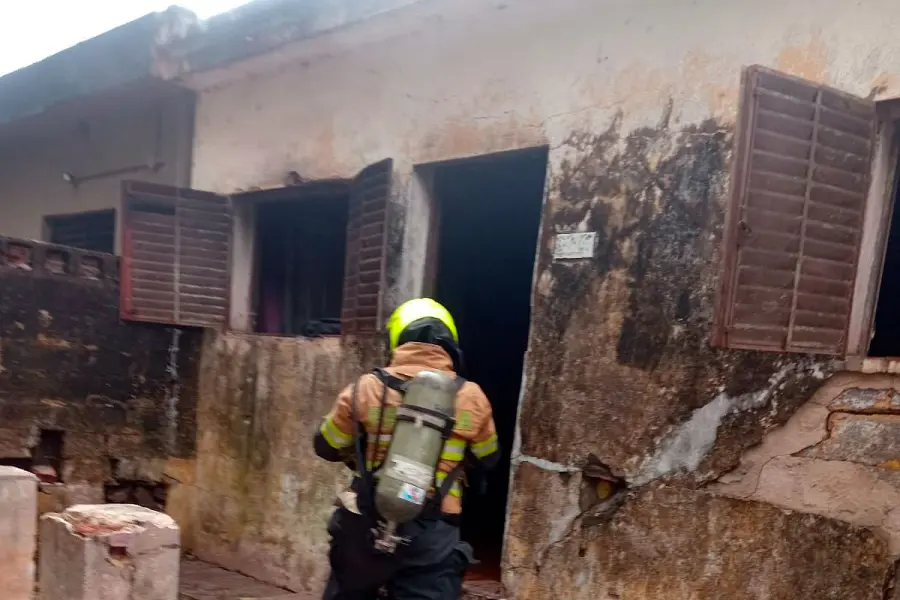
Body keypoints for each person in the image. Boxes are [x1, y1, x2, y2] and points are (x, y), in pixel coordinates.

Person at [314, 298, 500, 600]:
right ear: (449, 342)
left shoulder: (365, 388)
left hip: (367, 518)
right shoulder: (472, 396)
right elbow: (489, 458)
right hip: (434, 529)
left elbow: (326, 445)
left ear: (397, 338)